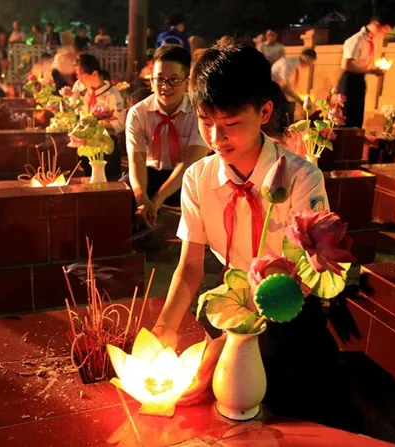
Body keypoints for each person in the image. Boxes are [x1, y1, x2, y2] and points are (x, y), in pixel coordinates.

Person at [151, 43, 328, 409]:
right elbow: (191, 267)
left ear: (264, 111)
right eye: (206, 123)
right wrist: (164, 328)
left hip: (289, 307)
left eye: (230, 124)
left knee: (279, 406)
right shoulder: (198, 179)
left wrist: (234, 342)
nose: (216, 139)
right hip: (231, 301)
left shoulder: (301, 178)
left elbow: (309, 274)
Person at [123, 44, 208, 229]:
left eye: (174, 80)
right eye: (160, 79)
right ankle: (138, 233)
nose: (165, 86)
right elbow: (137, 160)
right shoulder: (138, 113)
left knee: (208, 187)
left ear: (187, 81)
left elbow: (191, 161)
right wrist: (142, 199)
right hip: (151, 172)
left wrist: (157, 199)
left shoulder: (199, 113)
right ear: (151, 80)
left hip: (187, 176)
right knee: (123, 193)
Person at [73, 54, 125, 179]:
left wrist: (97, 124)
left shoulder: (113, 95)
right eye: (77, 75)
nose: (79, 80)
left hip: (106, 148)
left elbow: (119, 125)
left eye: (81, 75)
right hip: (87, 148)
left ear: (94, 74)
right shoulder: (87, 93)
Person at [338, 13, 394, 128]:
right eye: (384, 29)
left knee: (357, 118)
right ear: (376, 24)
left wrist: (375, 69)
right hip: (350, 80)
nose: (384, 33)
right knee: (346, 118)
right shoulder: (356, 39)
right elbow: (346, 65)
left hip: (359, 80)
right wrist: (371, 71)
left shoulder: (371, 42)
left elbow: (363, 64)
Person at [271, 48, 317, 130]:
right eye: (309, 61)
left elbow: (290, 85)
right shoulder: (288, 64)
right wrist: (300, 100)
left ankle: (287, 128)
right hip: (271, 90)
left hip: (278, 90)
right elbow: (284, 86)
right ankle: (281, 130)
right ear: (304, 57)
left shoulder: (295, 66)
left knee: (291, 105)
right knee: (288, 107)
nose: (309, 65)